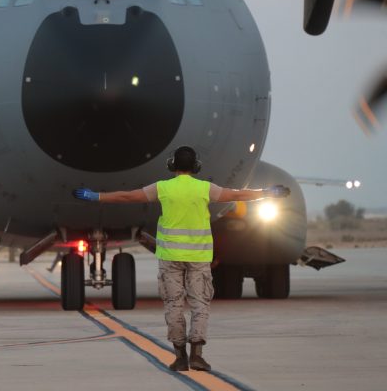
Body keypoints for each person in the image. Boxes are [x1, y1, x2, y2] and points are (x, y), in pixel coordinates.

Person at [72, 145, 290, 372]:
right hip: (198, 257)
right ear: (196, 166)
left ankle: (179, 357)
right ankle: (197, 354)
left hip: (170, 257)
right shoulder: (205, 189)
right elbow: (237, 194)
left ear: (172, 165)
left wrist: (96, 196)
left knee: (174, 305)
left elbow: (128, 196)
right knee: (200, 305)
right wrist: (267, 192)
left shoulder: (163, 188)